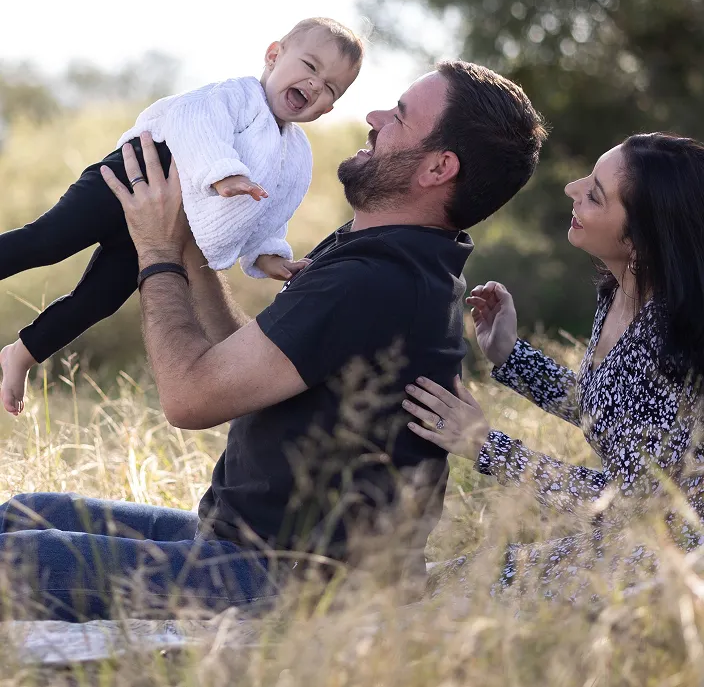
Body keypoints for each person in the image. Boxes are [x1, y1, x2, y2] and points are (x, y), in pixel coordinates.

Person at [0, 60, 545, 621]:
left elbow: (188, 399)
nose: (374, 116)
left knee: (9, 557)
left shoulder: (377, 280)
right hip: (245, 547)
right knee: (24, 514)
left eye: (399, 116)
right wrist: (187, 240)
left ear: (437, 167)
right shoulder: (392, 259)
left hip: (288, 581)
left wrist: (157, 252)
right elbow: (254, 367)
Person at [0, 17, 363, 416]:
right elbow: (192, 124)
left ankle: (20, 355)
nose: (315, 84)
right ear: (274, 55)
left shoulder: (295, 154)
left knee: (98, 301)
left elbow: (269, 209)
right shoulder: (236, 96)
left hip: (165, 227)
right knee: (47, 242)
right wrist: (223, 171)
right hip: (132, 176)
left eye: (330, 87)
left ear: (330, 107)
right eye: (310, 67)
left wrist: (267, 254)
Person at [403, 133, 704, 588]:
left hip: (665, 569)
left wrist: (486, 447)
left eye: (595, 194)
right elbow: (612, 410)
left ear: (640, 240)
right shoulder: (623, 293)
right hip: (631, 545)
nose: (572, 188)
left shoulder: (669, 339)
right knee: (429, 583)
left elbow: (634, 506)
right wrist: (512, 356)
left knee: (436, 599)